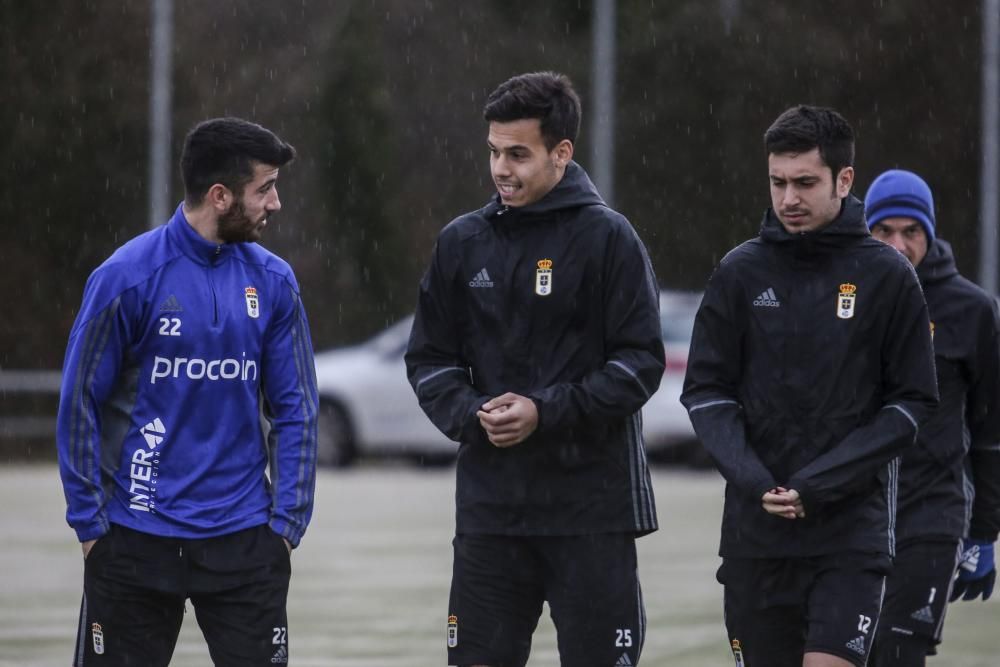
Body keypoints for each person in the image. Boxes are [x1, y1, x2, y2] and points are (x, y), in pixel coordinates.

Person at [404, 71, 665, 667]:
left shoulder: (609, 238)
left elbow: (639, 363)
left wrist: (545, 412)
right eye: (494, 151)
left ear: (561, 153)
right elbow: (428, 359)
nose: (501, 168)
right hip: (491, 517)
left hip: (592, 515)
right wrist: (473, 413)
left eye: (518, 154)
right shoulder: (462, 242)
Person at [680, 105, 939, 667]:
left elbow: (912, 405)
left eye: (805, 182)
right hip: (755, 538)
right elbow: (706, 392)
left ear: (844, 180)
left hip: (849, 537)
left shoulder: (889, 277)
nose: (788, 198)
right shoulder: (739, 272)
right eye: (777, 182)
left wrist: (819, 483)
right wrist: (755, 480)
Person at [56, 117, 318, 666]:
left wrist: (286, 526)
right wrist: (90, 526)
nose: (276, 203)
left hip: (246, 540)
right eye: (265, 188)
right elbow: (80, 401)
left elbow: (297, 410)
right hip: (134, 536)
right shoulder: (125, 276)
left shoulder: (274, 282)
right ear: (220, 196)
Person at [863, 169, 1000, 665]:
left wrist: (984, 533)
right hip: (855, 516)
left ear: (930, 233)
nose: (898, 244)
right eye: (884, 231)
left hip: (932, 516)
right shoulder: (848, 298)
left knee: (897, 654)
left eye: (910, 231)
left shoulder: (974, 310)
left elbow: (990, 435)